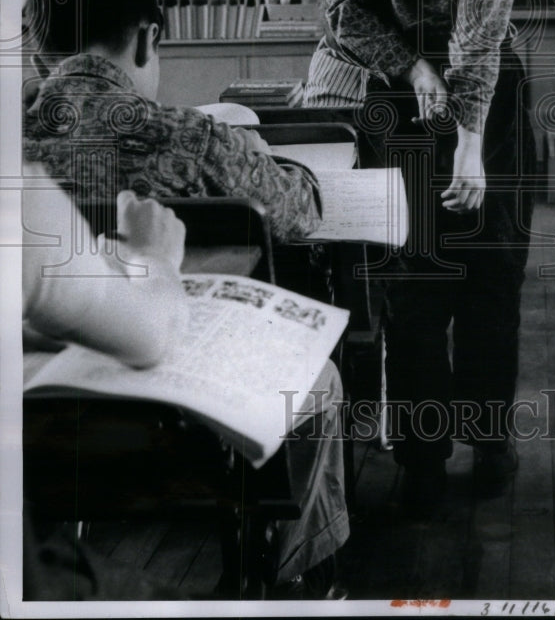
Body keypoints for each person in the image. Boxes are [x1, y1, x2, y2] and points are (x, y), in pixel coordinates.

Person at [324, 0, 534, 508]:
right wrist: (471, 145)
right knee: (491, 282)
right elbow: (479, 31)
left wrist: (412, 70)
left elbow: (344, 13)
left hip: (398, 114)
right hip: (491, 116)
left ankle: (418, 463)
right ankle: (489, 453)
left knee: (410, 289)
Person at [21, 170, 348, 599]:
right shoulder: (22, 192)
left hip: (32, 462)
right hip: (40, 545)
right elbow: (151, 334)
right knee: (320, 379)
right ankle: (291, 570)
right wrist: (151, 254)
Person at [23, 0, 321, 242]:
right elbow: (302, 210)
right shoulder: (190, 139)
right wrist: (261, 157)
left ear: (40, 66)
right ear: (146, 41)